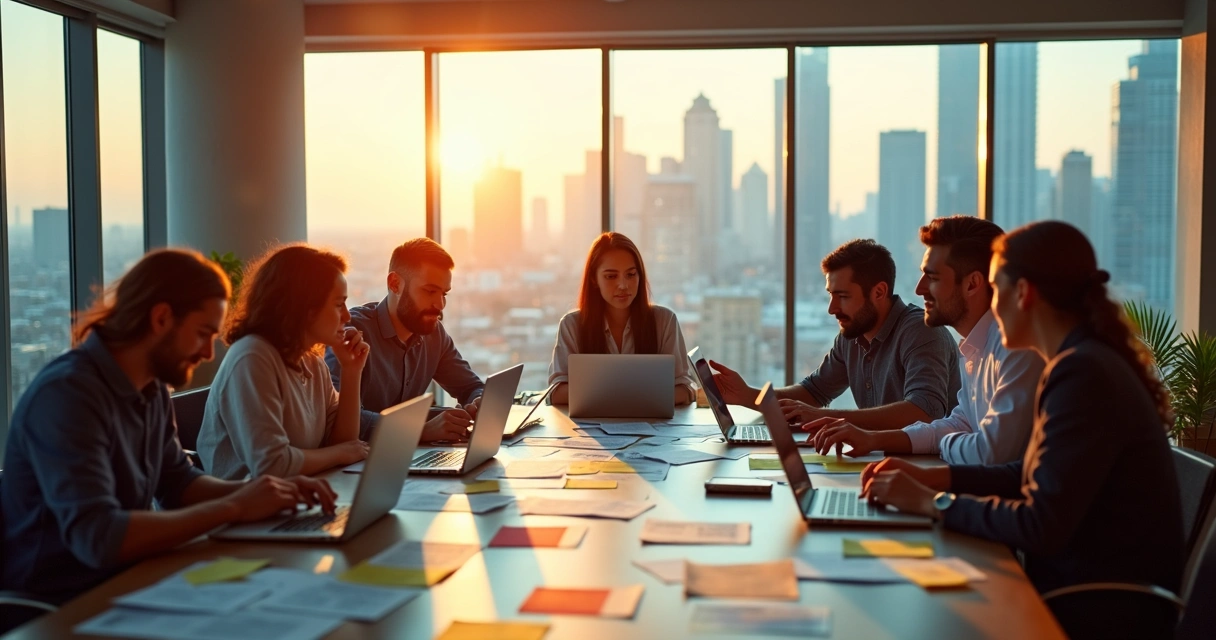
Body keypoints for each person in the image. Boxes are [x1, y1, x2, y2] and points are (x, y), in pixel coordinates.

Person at [861, 221, 1183, 638]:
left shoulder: (1083, 373)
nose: (992, 304)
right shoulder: (1079, 362)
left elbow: (1040, 524)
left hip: (1092, 610)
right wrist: (931, 477)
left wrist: (932, 502)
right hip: (1074, 589)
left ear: (1024, 293)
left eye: (997, 286)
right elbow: (1028, 475)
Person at [0, 250, 335, 608]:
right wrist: (235, 507)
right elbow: (99, 539)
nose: (209, 352)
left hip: (129, 581)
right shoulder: (68, 396)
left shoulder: (150, 386)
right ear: (161, 318)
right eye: (202, 333)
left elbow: (178, 483)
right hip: (59, 605)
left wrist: (265, 492)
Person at [811, 216, 1043, 464]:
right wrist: (875, 439)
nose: (919, 289)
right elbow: (961, 423)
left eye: (932, 278)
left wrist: (938, 448)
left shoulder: (1016, 348)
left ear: (972, 284)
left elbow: (991, 452)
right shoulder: (976, 346)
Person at [712, 239, 960, 430]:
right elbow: (812, 394)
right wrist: (747, 395)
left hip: (928, 470)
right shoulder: (852, 336)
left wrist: (824, 418)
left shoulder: (921, 332)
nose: (832, 309)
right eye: (831, 295)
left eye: (842, 297)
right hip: (881, 460)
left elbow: (925, 412)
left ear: (879, 292)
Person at [199, 245, 370, 480]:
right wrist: (338, 454)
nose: (347, 316)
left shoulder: (311, 362)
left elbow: (345, 444)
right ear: (306, 307)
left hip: (296, 496)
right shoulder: (252, 358)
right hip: (247, 509)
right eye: (338, 304)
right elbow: (272, 464)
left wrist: (352, 372)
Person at [325, 238, 484, 444]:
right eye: (429, 291)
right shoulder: (351, 333)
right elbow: (338, 416)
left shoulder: (434, 334)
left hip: (401, 461)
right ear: (395, 284)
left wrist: (477, 404)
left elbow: (470, 386)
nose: (440, 304)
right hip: (353, 466)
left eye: (444, 293)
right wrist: (418, 431)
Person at [549, 232, 696, 405]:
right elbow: (556, 392)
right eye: (611, 276)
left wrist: (607, 395)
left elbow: (684, 389)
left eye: (631, 274)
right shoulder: (572, 325)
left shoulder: (664, 321)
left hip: (653, 429)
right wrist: (635, 396)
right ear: (594, 279)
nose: (623, 285)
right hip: (590, 430)